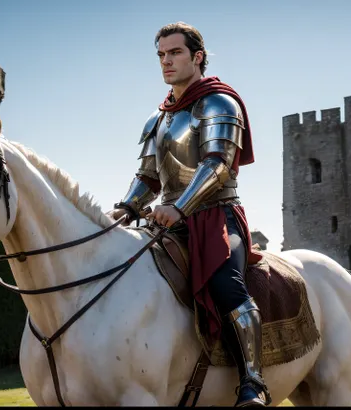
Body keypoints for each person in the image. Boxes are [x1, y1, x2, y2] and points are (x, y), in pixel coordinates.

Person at [106, 21, 271, 407]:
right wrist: (127, 207)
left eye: (175, 52)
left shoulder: (219, 103)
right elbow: (148, 175)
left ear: (197, 57)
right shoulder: (159, 117)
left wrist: (180, 206)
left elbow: (217, 165)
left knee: (227, 285)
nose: (166, 61)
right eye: (161, 55)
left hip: (217, 218)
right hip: (166, 223)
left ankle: (253, 380)